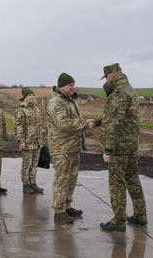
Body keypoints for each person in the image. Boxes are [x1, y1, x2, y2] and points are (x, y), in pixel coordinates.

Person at [93, 63, 148, 232]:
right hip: (130, 145)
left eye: (107, 78)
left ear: (111, 76)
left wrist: (108, 150)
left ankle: (118, 221)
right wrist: (96, 122)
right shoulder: (128, 89)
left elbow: (116, 123)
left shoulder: (118, 93)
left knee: (116, 184)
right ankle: (140, 215)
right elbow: (115, 115)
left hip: (119, 148)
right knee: (132, 180)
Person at [45, 73, 92, 223]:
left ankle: (67, 205)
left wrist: (85, 123)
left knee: (71, 178)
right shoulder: (55, 102)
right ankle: (59, 210)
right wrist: (85, 124)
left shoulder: (70, 101)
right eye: (70, 85)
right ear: (62, 86)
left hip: (73, 147)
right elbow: (63, 123)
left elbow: (75, 120)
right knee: (62, 179)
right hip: (62, 147)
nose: (73, 87)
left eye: (74, 84)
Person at [14, 87, 44, 194]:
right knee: (26, 164)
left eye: (33, 95)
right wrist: (21, 141)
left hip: (37, 142)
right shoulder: (21, 110)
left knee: (34, 164)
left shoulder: (36, 109)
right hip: (27, 142)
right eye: (29, 95)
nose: (32, 97)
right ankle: (25, 184)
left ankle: (33, 183)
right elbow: (18, 127)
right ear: (25, 98)